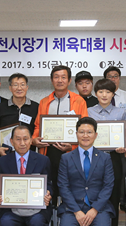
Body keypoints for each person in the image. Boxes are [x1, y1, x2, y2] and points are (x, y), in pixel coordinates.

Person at [57, 117, 115, 226]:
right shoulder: (66, 158)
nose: (85, 135)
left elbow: (108, 185)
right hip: (73, 206)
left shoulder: (105, 158)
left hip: (98, 206)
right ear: (76, 134)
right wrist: (76, 211)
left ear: (96, 135)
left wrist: (95, 209)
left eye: (89, 132)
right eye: (81, 132)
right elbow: (63, 186)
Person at [32, 65, 88, 203]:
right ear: (52, 80)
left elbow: (84, 129)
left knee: (69, 186)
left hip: (70, 151)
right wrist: (34, 140)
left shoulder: (79, 101)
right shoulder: (44, 102)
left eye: (63, 77)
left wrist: (72, 147)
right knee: (50, 186)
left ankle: (68, 212)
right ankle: (51, 211)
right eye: (56, 77)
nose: (60, 80)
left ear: (69, 81)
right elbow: (38, 126)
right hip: (48, 151)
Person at [87, 78, 126, 226]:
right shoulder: (88, 112)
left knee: (113, 195)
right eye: (101, 92)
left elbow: (124, 137)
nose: (104, 95)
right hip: (93, 158)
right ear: (96, 94)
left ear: (113, 94)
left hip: (113, 158)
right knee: (94, 193)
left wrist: (123, 146)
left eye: (108, 92)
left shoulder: (120, 113)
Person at [0, 73, 39, 157]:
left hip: (30, 154)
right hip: (7, 154)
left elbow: (38, 128)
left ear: (27, 87)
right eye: (15, 85)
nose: (19, 88)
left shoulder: (36, 107)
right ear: (10, 88)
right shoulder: (1, 107)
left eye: (22, 85)